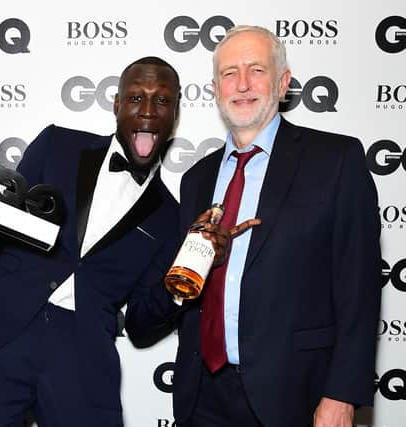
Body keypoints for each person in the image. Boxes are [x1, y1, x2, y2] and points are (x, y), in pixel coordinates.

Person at [0, 56, 228, 427]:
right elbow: (2, 235)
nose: (147, 111)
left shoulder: (169, 217)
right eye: (135, 98)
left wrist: (187, 278)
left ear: (176, 114)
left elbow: (143, 327)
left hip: (83, 358)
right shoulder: (56, 145)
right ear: (116, 104)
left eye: (161, 101)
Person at [125, 25, 381, 427]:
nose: (242, 84)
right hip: (201, 396)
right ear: (215, 90)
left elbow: (358, 290)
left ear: (283, 84)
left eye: (256, 70)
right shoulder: (195, 180)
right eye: (229, 74)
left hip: (295, 396)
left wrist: (342, 395)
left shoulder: (335, 160)